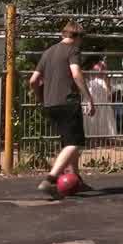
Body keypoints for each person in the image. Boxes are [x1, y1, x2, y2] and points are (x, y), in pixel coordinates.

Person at [29, 21, 95, 199]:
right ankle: (50, 180)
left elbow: (33, 81)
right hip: (68, 102)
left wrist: (41, 98)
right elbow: (76, 73)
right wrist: (88, 98)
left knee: (68, 143)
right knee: (74, 143)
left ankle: (77, 180)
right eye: (82, 38)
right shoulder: (73, 50)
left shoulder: (48, 52)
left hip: (51, 104)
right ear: (77, 37)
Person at [82, 57, 117, 141]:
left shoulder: (104, 78)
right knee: (91, 120)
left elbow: (109, 91)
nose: (101, 67)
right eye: (98, 64)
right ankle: (92, 139)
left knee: (104, 118)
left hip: (103, 102)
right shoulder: (86, 76)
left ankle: (105, 138)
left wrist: (105, 76)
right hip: (91, 101)